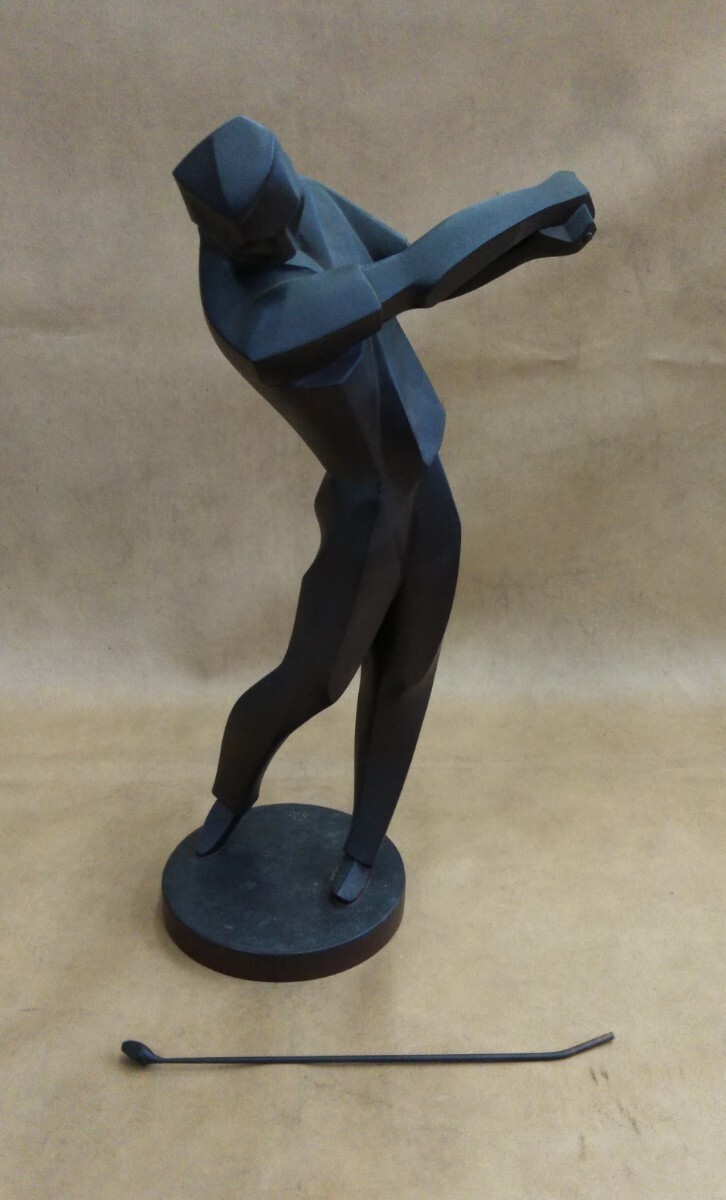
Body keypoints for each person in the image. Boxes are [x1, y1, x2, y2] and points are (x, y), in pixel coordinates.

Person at [173, 117, 595, 902]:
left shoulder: (305, 201)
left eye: (289, 203)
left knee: (409, 670)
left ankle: (364, 846)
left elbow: (415, 257)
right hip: (365, 509)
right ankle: (232, 795)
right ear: (227, 237)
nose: (292, 227)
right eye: (269, 229)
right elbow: (417, 276)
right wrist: (548, 196)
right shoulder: (258, 318)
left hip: (423, 482)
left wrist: (532, 244)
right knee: (314, 681)